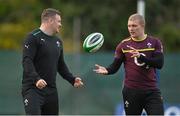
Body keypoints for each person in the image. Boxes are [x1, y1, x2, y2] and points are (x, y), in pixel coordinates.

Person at [94, 13, 164, 115]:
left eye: (134, 26)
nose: (131, 29)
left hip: (151, 91)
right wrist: (107, 70)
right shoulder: (123, 45)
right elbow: (115, 66)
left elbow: (159, 63)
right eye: (129, 26)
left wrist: (141, 57)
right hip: (131, 92)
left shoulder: (154, 42)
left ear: (142, 26)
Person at [22, 8, 84, 115]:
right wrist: (36, 79)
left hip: (51, 91)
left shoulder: (58, 42)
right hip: (33, 89)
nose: (61, 24)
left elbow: (61, 65)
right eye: (59, 21)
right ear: (50, 20)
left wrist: (72, 79)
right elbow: (27, 61)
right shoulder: (32, 37)